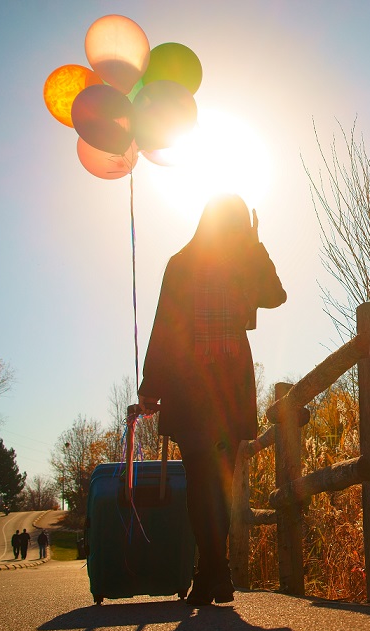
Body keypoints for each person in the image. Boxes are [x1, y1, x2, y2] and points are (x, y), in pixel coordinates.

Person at [138, 194, 286, 606]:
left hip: (193, 388)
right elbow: (165, 323)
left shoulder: (186, 263)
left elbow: (276, 295)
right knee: (214, 481)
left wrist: (153, 384)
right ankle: (215, 572)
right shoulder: (231, 266)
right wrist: (254, 248)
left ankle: (213, 572)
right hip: (221, 389)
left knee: (204, 481)